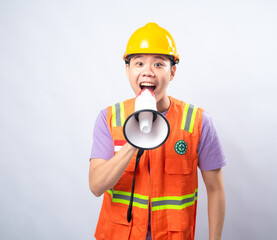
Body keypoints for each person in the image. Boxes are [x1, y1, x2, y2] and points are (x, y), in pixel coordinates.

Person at [89, 22, 226, 240]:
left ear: (172, 72)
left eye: (159, 64)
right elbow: (96, 186)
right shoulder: (109, 118)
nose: (148, 72)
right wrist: (134, 140)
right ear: (127, 70)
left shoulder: (197, 121)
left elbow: (216, 190)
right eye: (139, 63)